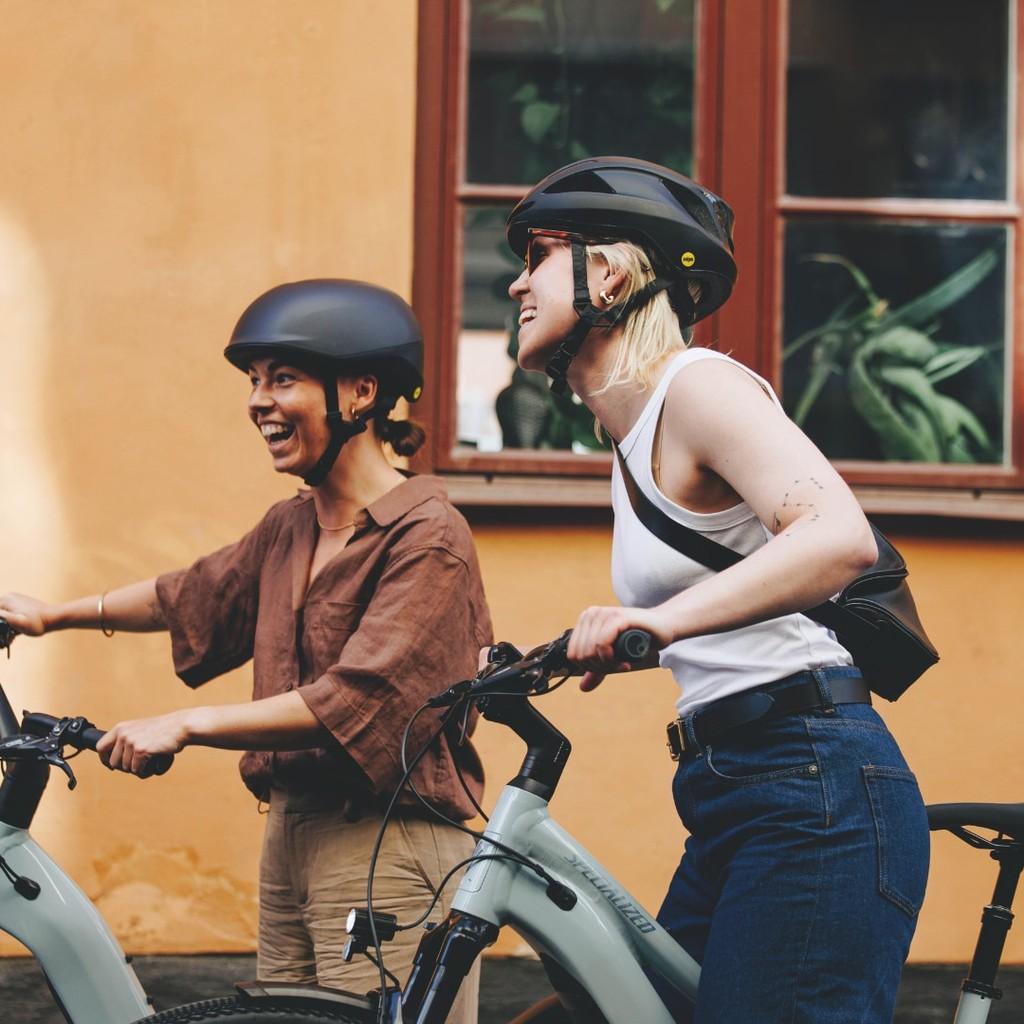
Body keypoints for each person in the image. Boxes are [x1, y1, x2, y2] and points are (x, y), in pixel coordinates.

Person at [505, 157, 930, 1023]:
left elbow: (837, 537)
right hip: (735, 784)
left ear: (610, 271)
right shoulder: (624, 442)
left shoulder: (696, 387)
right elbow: (712, 599)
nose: (515, 280)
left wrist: (654, 624)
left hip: (814, 784)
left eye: (539, 254)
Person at [0, 279, 491, 1021]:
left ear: (360, 392)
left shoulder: (427, 535)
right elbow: (189, 596)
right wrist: (50, 616)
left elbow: (358, 699)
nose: (258, 401)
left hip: (387, 844)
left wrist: (187, 723)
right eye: (254, 382)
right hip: (290, 833)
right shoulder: (291, 526)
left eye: (282, 378)